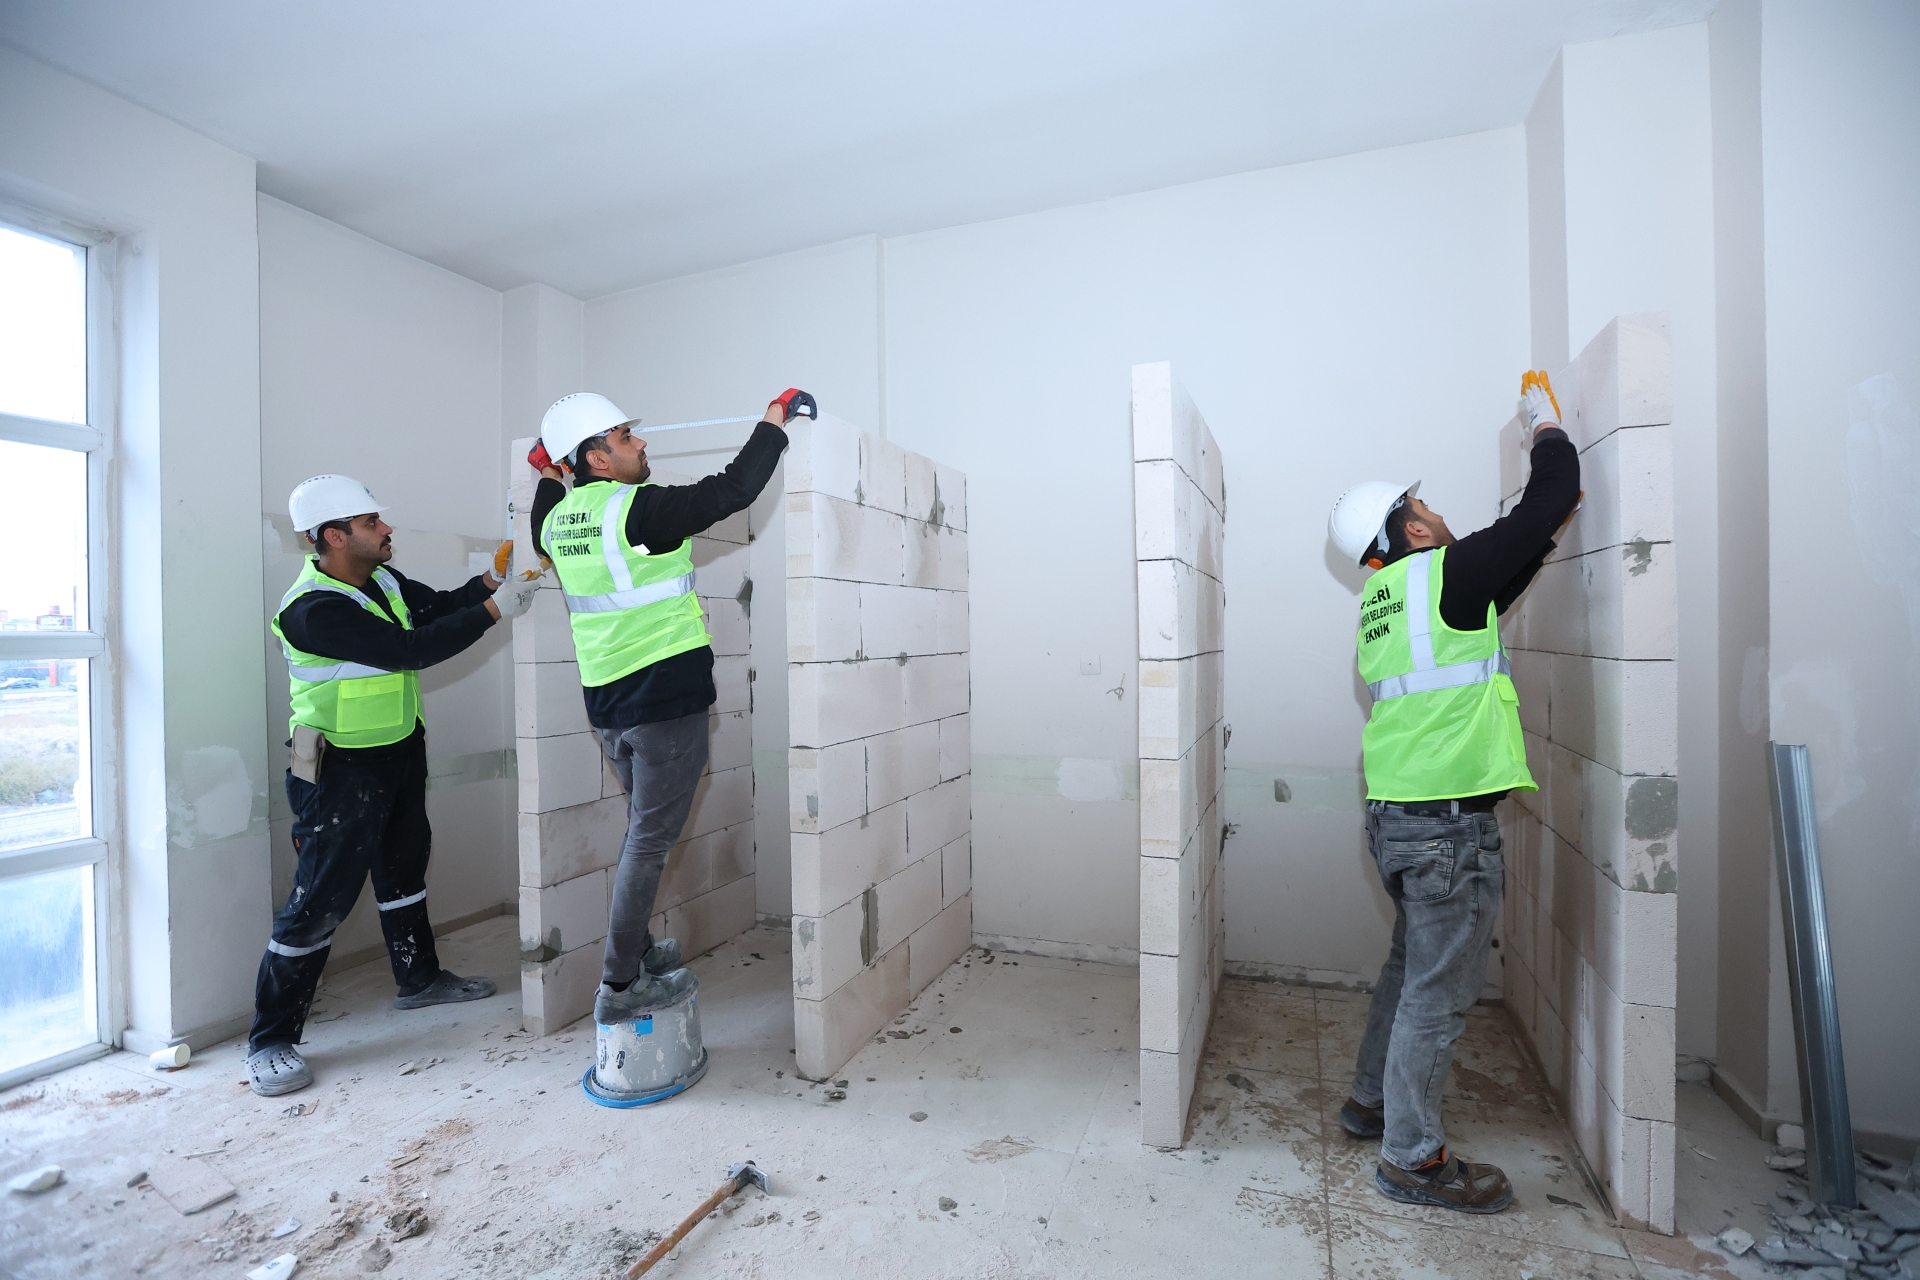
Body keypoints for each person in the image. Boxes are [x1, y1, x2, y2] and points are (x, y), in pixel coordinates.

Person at [1324, 370, 1580, 1214]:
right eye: (1424, 505)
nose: (1436, 513)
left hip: (1396, 818)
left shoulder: (1384, 599)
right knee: (1435, 997)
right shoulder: (1446, 575)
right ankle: (1412, 1159)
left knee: (1409, 969)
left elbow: (1493, 588)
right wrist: (1545, 426)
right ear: (1410, 526)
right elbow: (1550, 498)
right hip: (1446, 831)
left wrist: (1538, 538)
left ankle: (1370, 1102)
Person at [246, 475, 544, 1097]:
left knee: (404, 870)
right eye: (371, 522)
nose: (386, 529)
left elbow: (433, 610)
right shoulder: (313, 609)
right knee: (319, 899)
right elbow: (409, 649)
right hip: (338, 768)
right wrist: (497, 611)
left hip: (399, 748)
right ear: (334, 536)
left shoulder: (381, 580)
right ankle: (270, 1039)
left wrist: (489, 581)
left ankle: (419, 980)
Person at [529, 390, 802, 1024]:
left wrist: (547, 468)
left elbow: (545, 496)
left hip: (608, 703)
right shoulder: (638, 510)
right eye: (626, 437)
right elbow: (734, 489)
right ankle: (620, 984)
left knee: (641, 832)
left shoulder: (556, 520)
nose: (642, 442)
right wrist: (775, 419)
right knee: (649, 843)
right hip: (663, 702)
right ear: (597, 460)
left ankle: (640, 951)